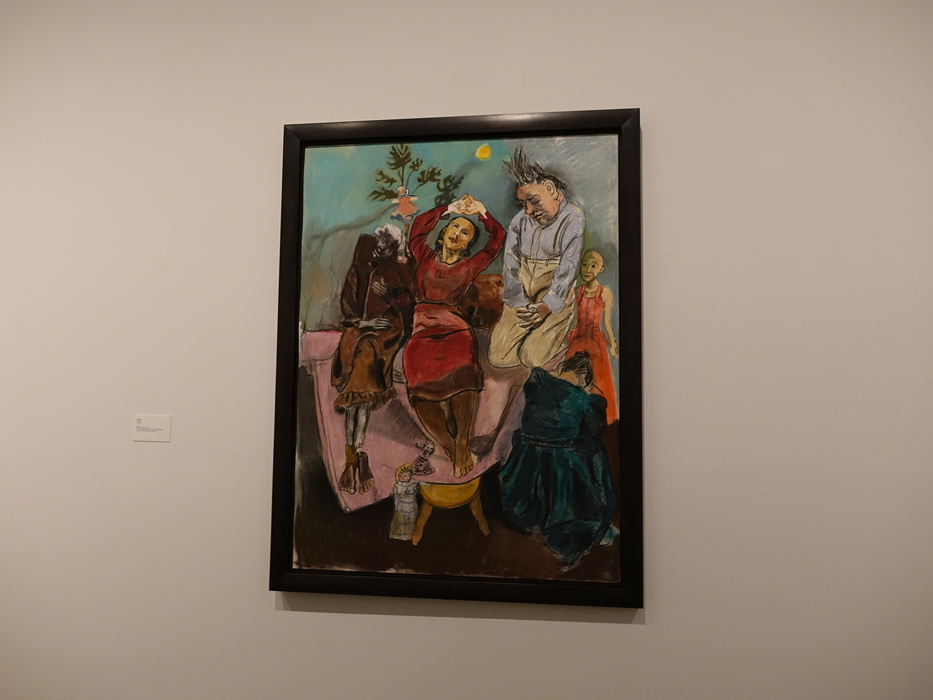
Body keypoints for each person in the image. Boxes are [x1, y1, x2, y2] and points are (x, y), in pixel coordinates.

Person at [403, 195, 505, 478]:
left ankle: (462, 442)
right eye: (454, 228)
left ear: (468, 243)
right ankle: (452, 446)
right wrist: (448, 209)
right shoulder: (424, 256)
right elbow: (417, 230)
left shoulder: (470, 266)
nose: (457, 234)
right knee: (419, 392)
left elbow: (497, 240)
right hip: (422, 330)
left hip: (456, 330)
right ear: (444, 232)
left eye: (465, 233)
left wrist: (483, 212)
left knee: (464, 377)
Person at [498, 352, 616, 568]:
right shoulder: (582, 399)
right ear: (585, 379)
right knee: (593, 448)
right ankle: (573, 514)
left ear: (563, 370)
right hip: (557, 460)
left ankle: (539, 509)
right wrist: (590, 400)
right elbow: (595, 428)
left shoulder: (538, 384)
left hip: (525, 456)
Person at [331, 224, 414, 494]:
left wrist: (390, 298)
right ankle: (355, 457)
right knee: (358, 357)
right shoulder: (360, 269)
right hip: (360, 328)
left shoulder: (398, 271)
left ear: (394, 247)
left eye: (388, 243)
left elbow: (408, 305)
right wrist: (364, 323)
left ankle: (353, 457)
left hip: (387, 332)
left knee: (366, 362)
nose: (381, 246)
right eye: (380, 241)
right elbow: (347, 307)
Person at [488, 148, 584, 369]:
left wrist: (547, 306)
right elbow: (511, 262)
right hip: (523, 287)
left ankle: (554, 330)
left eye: (534, 201)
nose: (529, 211)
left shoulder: (573, 217)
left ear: (550, 189)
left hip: (553, 290)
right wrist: (518, 301)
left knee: (532, 358)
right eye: (524, 204)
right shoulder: (520, 220)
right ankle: (533, 331)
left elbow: (568, 268)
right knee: (499, 358)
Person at [566, 250, 619, 423]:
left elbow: (607, 322)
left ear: (601, 269)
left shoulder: (605, 293)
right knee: (574, 381)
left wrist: (613, 345)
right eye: (585, 264)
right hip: (577, 341)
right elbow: (571, 320)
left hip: (596, 344)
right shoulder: (577, 291)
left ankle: (599, 421)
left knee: (598, 382)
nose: (588, 269)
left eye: (593, 266)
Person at [389, 463, 420, 541]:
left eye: (409, 475)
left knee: (411, 521)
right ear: (399, 476)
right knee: (402, 521)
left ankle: (410, 536)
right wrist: (397, 507)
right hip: (402, 507)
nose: (407, 477)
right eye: (405, 476)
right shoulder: (398, 486)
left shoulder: (413, 483)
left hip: (412, 506)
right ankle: (401, 537)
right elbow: (396, 498)